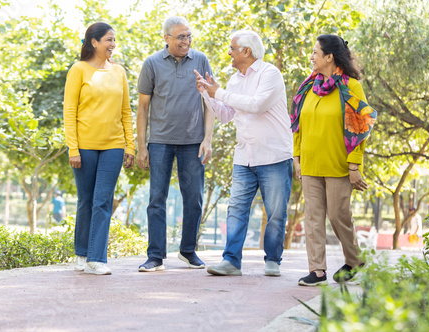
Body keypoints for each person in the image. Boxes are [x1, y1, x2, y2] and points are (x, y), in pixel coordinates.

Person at [196, 30, 293, 276]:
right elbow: (227, 115)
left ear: (246, 51)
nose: (229, 52)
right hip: (244, 157)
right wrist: (207, 95)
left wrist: (218, 93)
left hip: (274, 156)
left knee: (275, 213)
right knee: (236, 210)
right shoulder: (234, 80)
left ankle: (273, 260)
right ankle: (231, 262)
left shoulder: (270, 74)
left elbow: (256, 105)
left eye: (232, 48)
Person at [292, 35, 377, 286]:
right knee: (313, 217)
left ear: (329, 57)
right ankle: (317, 270)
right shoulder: (308, 86)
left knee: (339, 215)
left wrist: (354, 165)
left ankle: (354, 261)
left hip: (338, 163)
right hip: (309, 162)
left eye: (316, 52)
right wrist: (297, 157)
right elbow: (298, 125)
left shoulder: (351, 87)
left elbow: (360, 127)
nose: (312, 56)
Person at [136, 16, 214, 272]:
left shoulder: (201, 60)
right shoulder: (152, 63)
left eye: (189, 36)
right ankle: (155, 256)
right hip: (160, 142)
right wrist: (141, 146)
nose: (186, 41)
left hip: (193, 142)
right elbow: (143, 108)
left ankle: (188, 250)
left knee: (194, 198)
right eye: (181, 36)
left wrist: (207, 138)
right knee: (156, 198)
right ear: (167, 38)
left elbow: (210, 101)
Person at [63, 22, 136, 275]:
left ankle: (97, 258)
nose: (113, 44)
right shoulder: (79, 70)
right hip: (84, 147)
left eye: (114, 40)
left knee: (103, 200)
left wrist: (131, 145)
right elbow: (70, 111)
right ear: (94, 42)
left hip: (114, 146)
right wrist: (73, 148)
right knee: (86, 200)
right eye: (108, 39)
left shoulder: (119, 72)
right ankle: (82, 254)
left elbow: (126, 111)